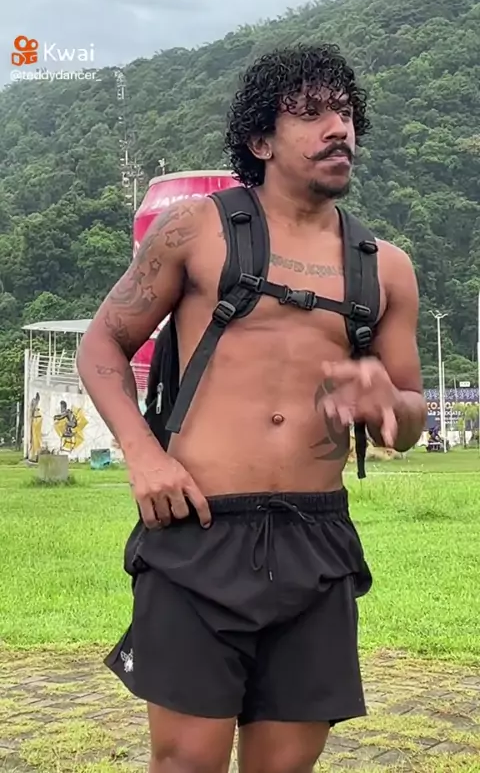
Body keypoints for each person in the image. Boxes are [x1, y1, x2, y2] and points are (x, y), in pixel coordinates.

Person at [77, 44, 427, 773]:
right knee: (186, 763)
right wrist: (143, 456)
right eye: (313, 113)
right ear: (261, 140)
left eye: (345, 113)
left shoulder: (384, 268)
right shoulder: (195, 230)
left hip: (316, 541)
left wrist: (386, 403)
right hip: (199, 531)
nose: (338, 128)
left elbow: (409, 423)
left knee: (285, 767)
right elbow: (103, 345)